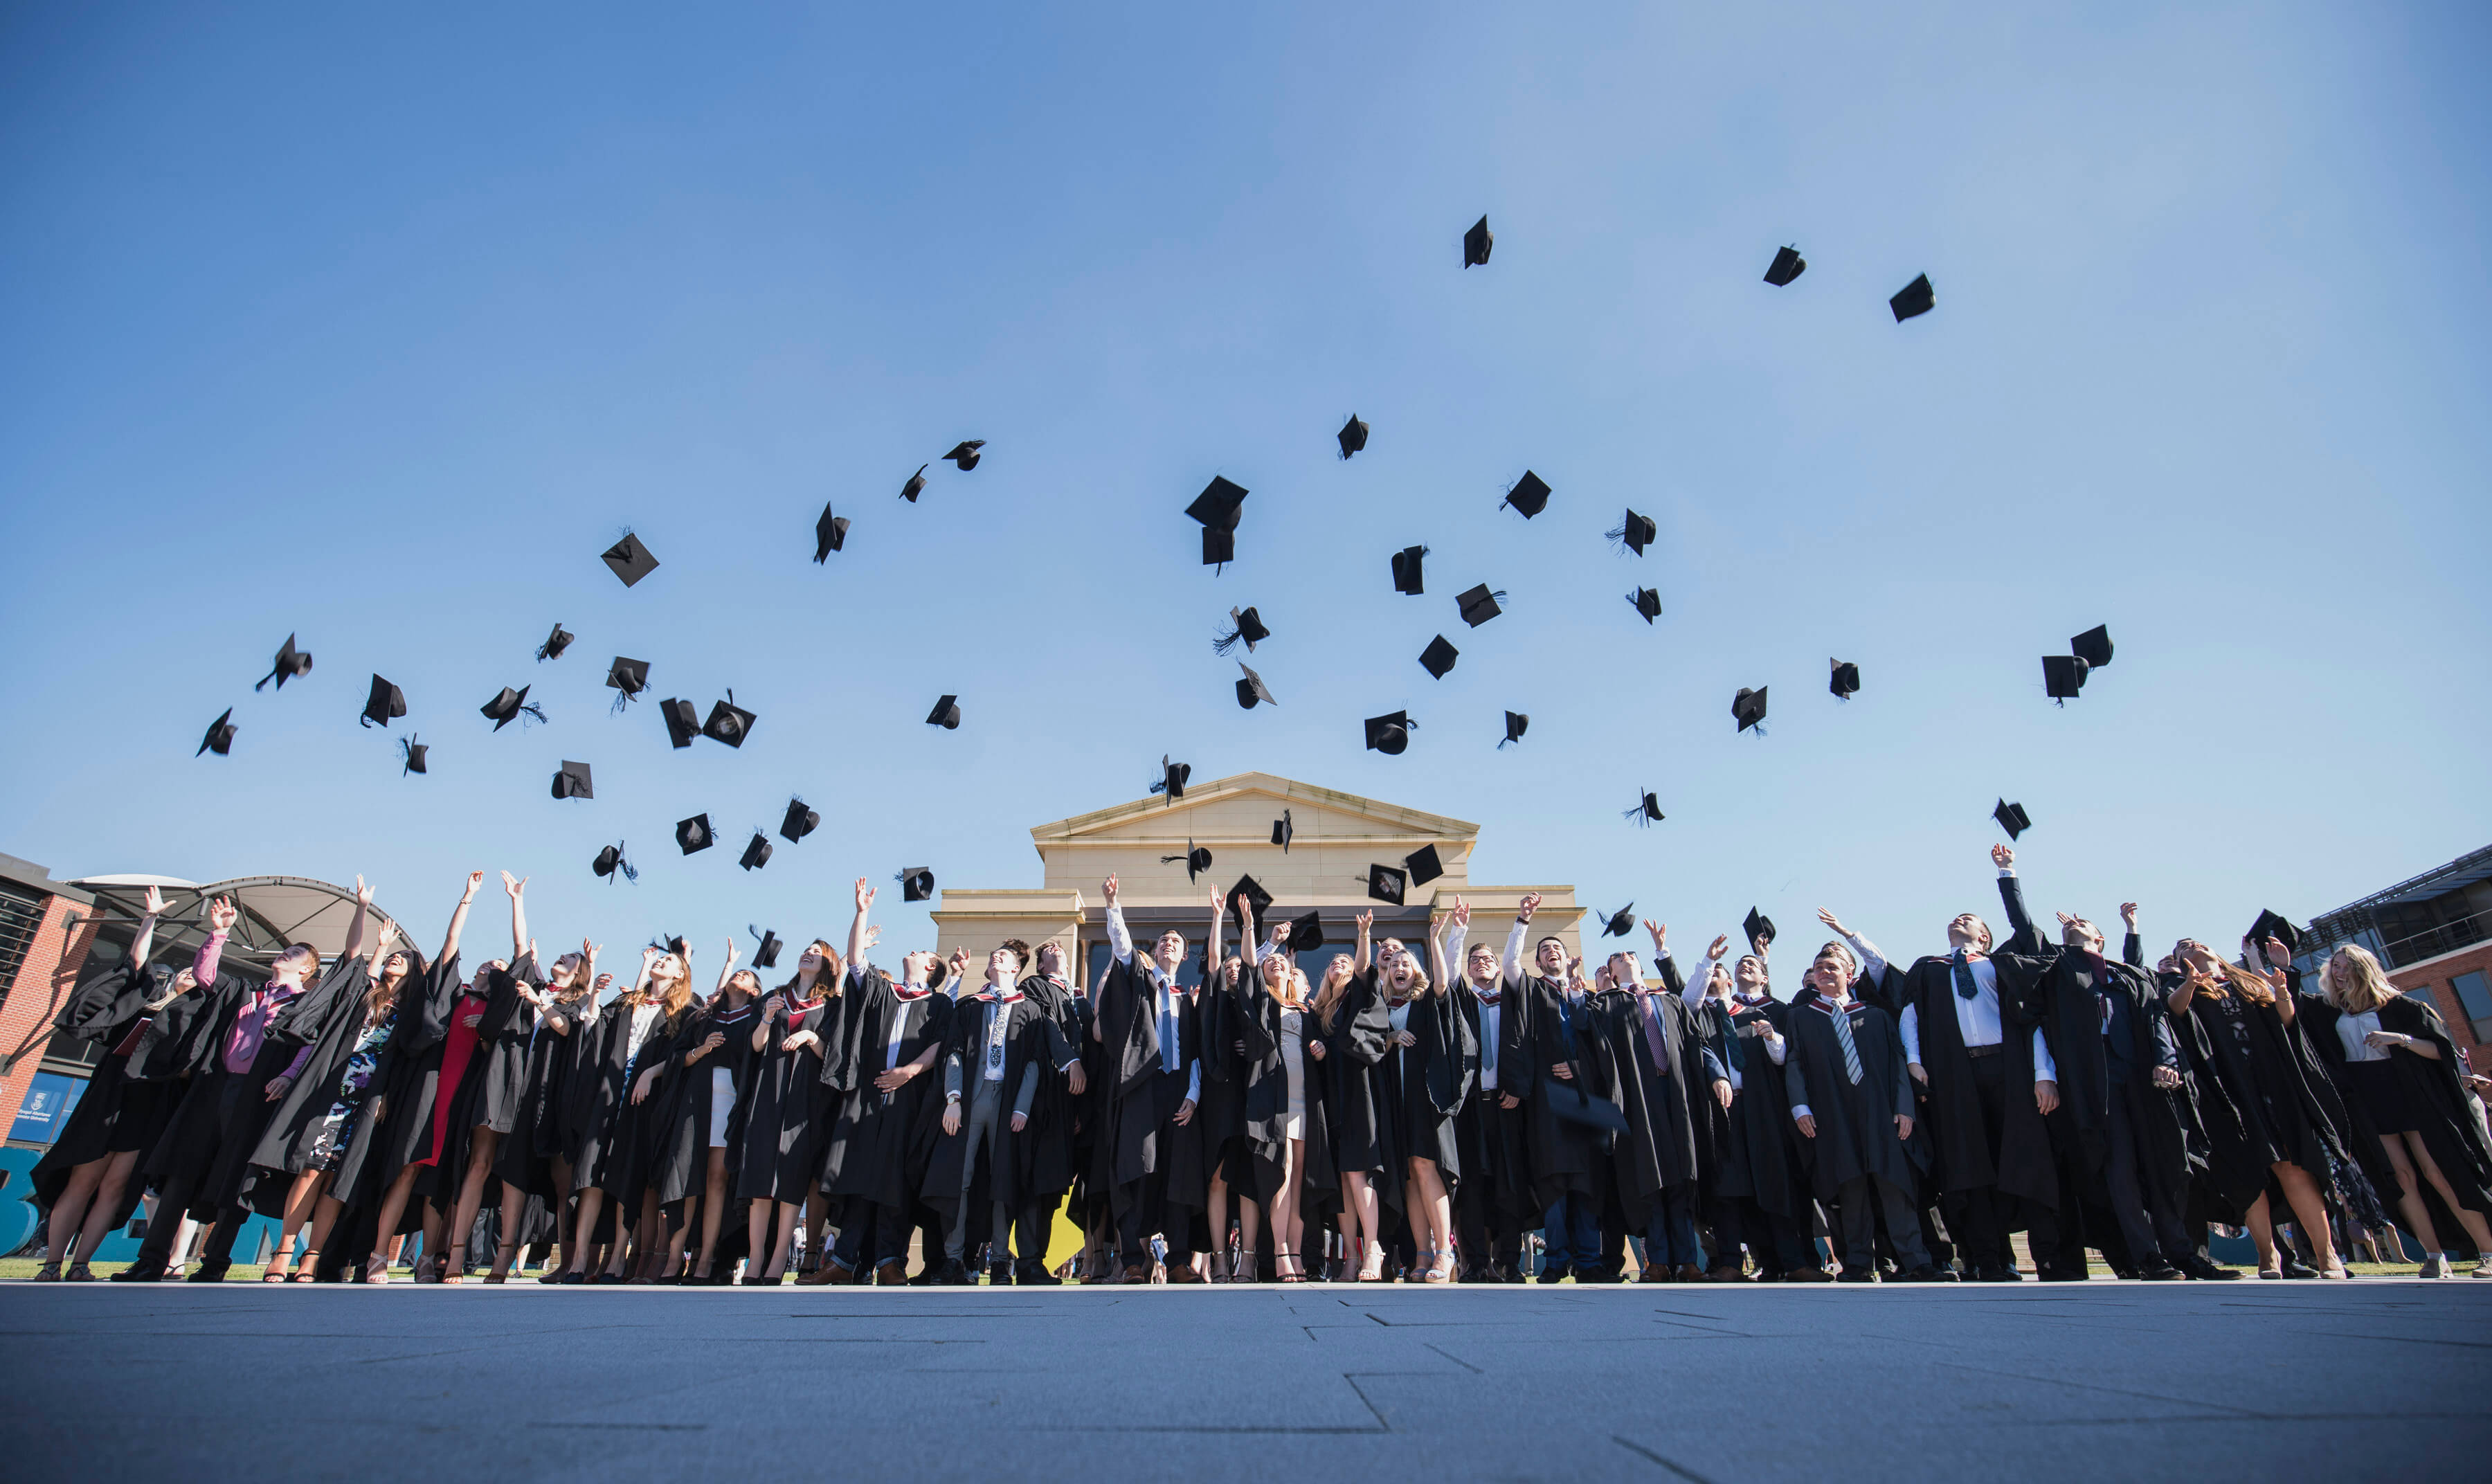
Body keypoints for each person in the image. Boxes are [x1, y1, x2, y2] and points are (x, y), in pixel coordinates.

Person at [1818, 848, 2063, 1282]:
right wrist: (1914, 1063)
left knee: (2023, 1159)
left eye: (1968, 918)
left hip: (2009, 1073)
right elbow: (1909, 1015)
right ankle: (1988, 1258)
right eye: (1954, 918)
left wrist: (2006, 874)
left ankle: (2048, 1257)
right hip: (1955, 1076)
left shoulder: (2002, 964)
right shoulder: (1928, 969)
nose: (1958, 920)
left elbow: (2030, 1015)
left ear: (1985, 937)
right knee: (1968, 1167)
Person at [114, 887, 370, 1283]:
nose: (285, 954)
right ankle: (151, 1260)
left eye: (295, 954)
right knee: (184, 1171)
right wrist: (218, 934)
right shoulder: (245, 994)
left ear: (307, 970)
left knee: (236, 1179)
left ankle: (215, 1262)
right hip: (214, 1087)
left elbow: (311, 1044)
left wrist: (288, 1075)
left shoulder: (306, 1004)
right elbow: (205, 977)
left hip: (258, 1096)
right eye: (285, 951)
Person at [1987, 869, 2196, 1282]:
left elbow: (2157, 1018)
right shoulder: (2058, 969)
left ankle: (2184, 1252)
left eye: (2085, 926)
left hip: (2143, 1079)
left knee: (2164, 1165)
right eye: (2070, 927)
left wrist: (2166, 1061)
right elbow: (2024, 927)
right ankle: (2147, 1256)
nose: (2075, 928)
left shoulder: (2128, 975)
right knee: (2118, 1168)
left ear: (2101, 939)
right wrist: (2008, 873)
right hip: (2092, 1084)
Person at [2163, 936, 2356, 1278]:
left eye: (2197, 943)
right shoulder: (2183, 989)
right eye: (2182, 949)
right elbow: (2174, 1011)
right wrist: (2191, 983)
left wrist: (2281, 987)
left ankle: (2327, 1256)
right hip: (2228, 1094)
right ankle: (2267, 1254)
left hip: (2272, 1088)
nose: (2191, 946)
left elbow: (2286, 1021)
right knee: (2246, 1174)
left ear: (2214, 951)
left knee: (2293, 1167)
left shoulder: (2248, 982)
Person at [2305, 945, 2492, 1277]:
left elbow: (2442, 1052)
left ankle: (2488, 1251)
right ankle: (2434, 1256)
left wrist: (2400, 1039)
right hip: (2369, 1100)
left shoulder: (2403, 1007)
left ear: (2364, 969)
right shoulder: (2330, 1011)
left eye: (2347, 966)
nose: (2339, 972)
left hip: (2412, 1096)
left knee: (2438, 1173)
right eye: (2335, 966)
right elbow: (2289, 1007)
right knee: (2401, 1178)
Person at [31, 886, 187, 1281]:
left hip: (147, 1103)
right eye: (176, 974)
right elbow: (136, 963)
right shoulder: (139, 1005)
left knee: (116, 1187)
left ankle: (81, 1265)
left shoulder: (192, 1020)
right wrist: (149, 919)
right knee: (83, 1181)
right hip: (110, 1097)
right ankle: (52, 1264)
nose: (182, 976)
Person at [1785, 941, 1944, 1281]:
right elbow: (1794, 1063)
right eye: (1818, 968)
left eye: (1832, 967)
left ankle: (1916, 1261)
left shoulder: (1876, 1016)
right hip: (1833, 1113)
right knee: (1850, 1188)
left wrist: (1905, 1109)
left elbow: (1897, 1065)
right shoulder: (1800, 1017)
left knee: (1895, 1187)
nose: (1824, 972)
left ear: (1849, 974)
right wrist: (1800, 1107)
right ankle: (1858, 1263)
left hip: (1880, 1114)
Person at [820, 878, 951, 1285]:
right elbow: (855, 960)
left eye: (921, 952)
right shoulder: (882, 990)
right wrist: (861, 913)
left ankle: (890, 1261)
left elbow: (942, 1049)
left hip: (908, 1098)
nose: (912, 952)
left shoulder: (940, 1005)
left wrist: (908, 1073)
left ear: (931, 967)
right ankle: (843, 1262)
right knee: (857, 1175)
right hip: (866, 1094)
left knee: (895, 1179)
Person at [1668, 927, 1816, 1281]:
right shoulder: (1699, 1017)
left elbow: (1785, 1060)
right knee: (1727, 1187)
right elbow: (1694, 1028)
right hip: (1720, 1111)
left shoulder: (1763, 1015)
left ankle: (1792, 1261)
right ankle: (1731, 1262)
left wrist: (1773, 1039)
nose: (1718, 974)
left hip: (1763, 1109)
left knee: (1773, 1180)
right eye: (1714, 972)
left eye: (1722, 972)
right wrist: (1709, 961)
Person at [928, 940, 1078, 1283]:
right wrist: (953, 1099)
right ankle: (953, 1258)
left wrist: (1023, 1107)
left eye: (1006, 956)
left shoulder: (1030, 1009)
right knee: (960, 1180)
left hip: (1008, 1102)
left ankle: (999, 1261)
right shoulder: (969, 1006)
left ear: (1016, 969)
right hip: (969, 1099)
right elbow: (952, 1053)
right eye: (995, 954)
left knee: (1003, 1179)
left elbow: (1035, 1064)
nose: (997, 955)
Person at [1094, 873, 1209, 1283]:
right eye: (1163, 941)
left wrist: (1194, 1095)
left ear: (1182, 956)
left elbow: (1195, 1053)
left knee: (1178, 1177)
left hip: (1179, 1089)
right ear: (1156, 952)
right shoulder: (1141, 983)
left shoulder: (1188, 1000)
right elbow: (1123, 948)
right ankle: (1130, 1261)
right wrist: (1113, 905)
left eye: (1176, 943)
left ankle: (1178, 1260)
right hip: (1141, 1085)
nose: (1168, 945)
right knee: (1136, 1169)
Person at [1499, 894, 1614, 1283]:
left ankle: (1588, 1260)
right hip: (1548, 1103)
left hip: (1586, 1103)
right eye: (1545, 950)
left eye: (1557, 949)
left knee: (1588, 1182)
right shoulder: (1532, 991)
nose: (1551, 953)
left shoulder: (1587, 998)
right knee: (1553, 1182)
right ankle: (1556, 1260)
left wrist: (1579, 1069)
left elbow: (1604, 1054)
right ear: (1538, 961)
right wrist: (1522, 921)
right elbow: (1510, 965)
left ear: (1567, 958)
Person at [1598, 943, 1726, 1282]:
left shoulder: (1668, 1000)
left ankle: (1687, 1260)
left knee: (1684, 1175)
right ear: (1611, 973)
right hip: (1638, 1099)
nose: (1624, 956)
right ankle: (1657, 1260)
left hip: (1678, 1095)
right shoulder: (1606, 1004)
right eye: (1616, 957)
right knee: (1650, 1176)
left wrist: (1718, 1076)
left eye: (1629, 954)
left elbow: (1698, 1042)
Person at [1438, 899, 1530, 1283]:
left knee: (1511, 1183)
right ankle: (1476, 1262)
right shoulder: (1464, 1000)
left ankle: (1508, 1260)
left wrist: (1521, 923)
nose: (1481, 963)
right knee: (1472, 1184)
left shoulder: (1511, 995)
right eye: (1474, 959)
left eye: (1486, 958)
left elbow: (1524, 1044)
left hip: (1508, 1104)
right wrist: (1458, 932)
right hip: (1471, 1107)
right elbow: (1450, 972)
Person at [743, 939, 840, 1285]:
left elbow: (833, 1056)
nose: (808, 952)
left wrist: (811, 1038)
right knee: (760, 1175)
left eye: (817, 951)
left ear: (828, 963)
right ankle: (756, 1257)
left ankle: (780, 1255)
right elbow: (756, 1045)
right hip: (769, 1091)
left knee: (790, 1175)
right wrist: (768, 1017)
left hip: (805, 1098)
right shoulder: (777, 996)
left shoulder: (831, 1004)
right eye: (807, 948)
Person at [668, 939, 764, 1283]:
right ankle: (674, 1257)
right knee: (688, 1176)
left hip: (730, 1102)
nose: (740, 975)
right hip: (696, 1101)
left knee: (716, 1179)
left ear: (755, 991)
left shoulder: (755, 1018)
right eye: (735, 972)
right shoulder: (704, 1016)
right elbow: (677, 1056)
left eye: (747, 975)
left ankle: (707, 1258)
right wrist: (701, 1051)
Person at [1311, 914, 1391, 1280]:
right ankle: (1351, 1257)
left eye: (1342, 961)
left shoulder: (1357, 995)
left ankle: (1373, 1247)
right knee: (1343, 1177)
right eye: (1332, 963)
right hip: (1331, 1098)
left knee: (1359, 1172)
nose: (1337, 965)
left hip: (1358, 1092)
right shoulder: (1323, 1013)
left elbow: (1362, 970)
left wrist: (1364, 936)